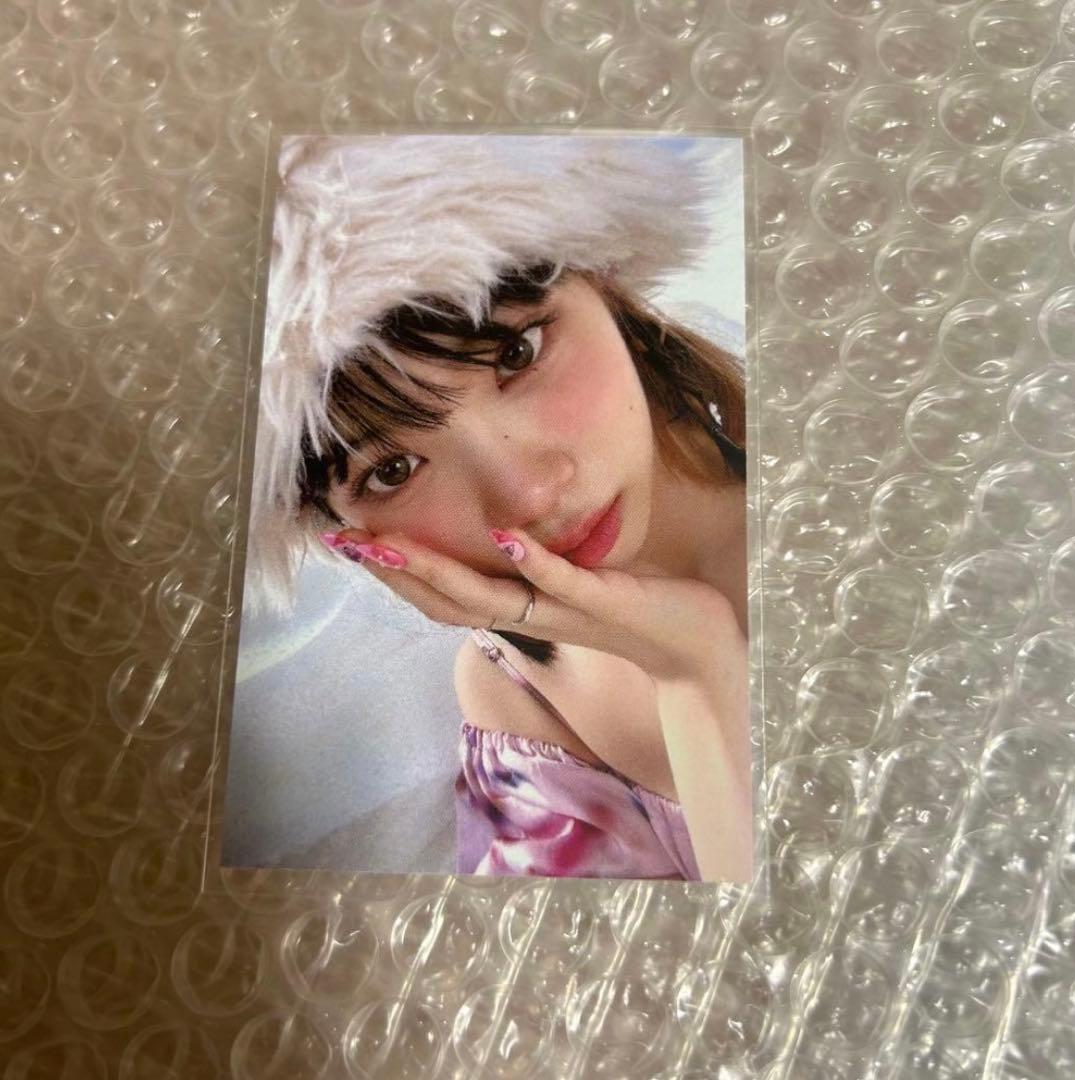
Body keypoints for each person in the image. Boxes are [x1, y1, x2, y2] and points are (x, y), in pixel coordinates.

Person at [247, 134, 750, 882]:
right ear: (345, 530)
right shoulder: (517, 696)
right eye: (392, 470)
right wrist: (695, 672)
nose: (527, 495)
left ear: (605, 278)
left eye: (517, 354)